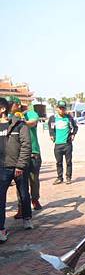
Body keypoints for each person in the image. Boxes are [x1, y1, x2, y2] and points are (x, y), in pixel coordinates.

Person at [0, 97, 32, 243]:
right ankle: (1, 229)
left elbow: (26, 145)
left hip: (18, 167)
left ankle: (27, 218)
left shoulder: (19, 124)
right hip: (2, 168)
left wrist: (20, 165)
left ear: (2, 109)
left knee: (24, 194)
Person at [48, 100, 78, 185]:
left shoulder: (69, 118)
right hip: (57, 144)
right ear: (57, 108)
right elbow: (51, 128)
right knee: (58, 162)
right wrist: (51, 135)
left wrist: (73, 134)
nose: (62, 110)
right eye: (60, 108)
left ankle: (68, 177)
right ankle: (59, 177)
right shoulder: (53, 118)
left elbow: (75, 127)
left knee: (68, 162)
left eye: (63, 108)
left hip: (67, 144)